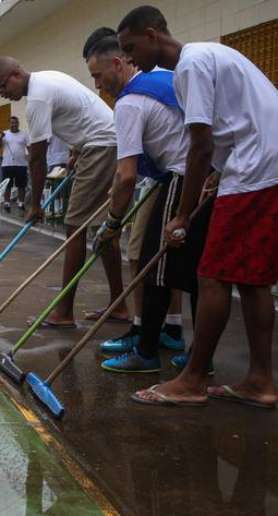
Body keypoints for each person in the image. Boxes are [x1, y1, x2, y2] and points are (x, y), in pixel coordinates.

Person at [118, 5, 277, 407]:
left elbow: (201, 145)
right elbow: (226, 133)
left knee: (213, 275)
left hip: (254, 169)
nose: (131, 59)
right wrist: (215, 177)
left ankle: (192, 381)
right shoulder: (208, 55)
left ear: (153, 34)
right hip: (260, 165)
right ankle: (260, 381)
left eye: (131, 47)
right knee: (253, 279)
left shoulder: (190, 66)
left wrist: (182, 215)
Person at [83, 35, 212, 373]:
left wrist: (111, 225)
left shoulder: (128, 103)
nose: (97, 85)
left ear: (118, 63)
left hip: (182, 176)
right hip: (207, 175)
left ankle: (146, 351)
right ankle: (197, 353)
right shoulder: (163, 80)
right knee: (197, 270)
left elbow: (125, 176)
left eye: (98, 76)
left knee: (154, 268)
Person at [0, 57, 130, 327]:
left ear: (17, 73)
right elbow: (81, 113)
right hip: (105, 143)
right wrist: (76, 150)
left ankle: (64, 312)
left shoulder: (37, 99)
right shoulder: (47, 75)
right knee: (104, 230)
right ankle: (119, 305)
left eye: (2, 85)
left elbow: (37, 158)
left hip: (100, 146)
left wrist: (35, 204)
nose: (2, 93)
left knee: (74, 227)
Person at [0, 116, 30, 212]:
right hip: (7, 164)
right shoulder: (5, 134)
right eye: (12, 123)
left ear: (18, 123)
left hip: (21, 164)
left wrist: (30, 160)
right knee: (7, 185)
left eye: (15, 123)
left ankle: (21, 203)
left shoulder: (24, 134)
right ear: (9, 124)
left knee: (21, 185)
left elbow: (29, 148)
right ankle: (7, 203)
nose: (14, 124)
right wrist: (0, 136)